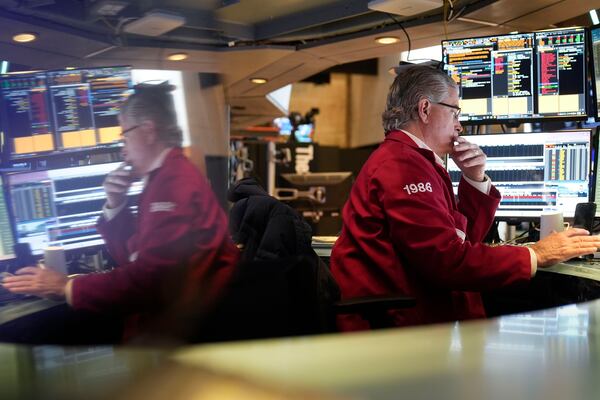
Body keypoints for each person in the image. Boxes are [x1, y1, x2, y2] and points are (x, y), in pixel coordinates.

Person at [330, 65, 600, 331]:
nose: (459, 125)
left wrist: (474, 178)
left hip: (413, 317)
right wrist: (535, 253)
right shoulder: (402, 166)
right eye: (454, 112)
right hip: (400, 328)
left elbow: (462, 239)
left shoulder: (413, 160)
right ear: (425, 109)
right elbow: (447, 261)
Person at [3, 82, 239, 341]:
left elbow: (151, 280)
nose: (123, 148)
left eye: (125, 135)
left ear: (148, 130)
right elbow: (137, 258)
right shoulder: (164, 177)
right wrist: (116, 203)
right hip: (178, 322)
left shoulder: (173, 184)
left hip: (179, 333)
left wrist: (65, 286)